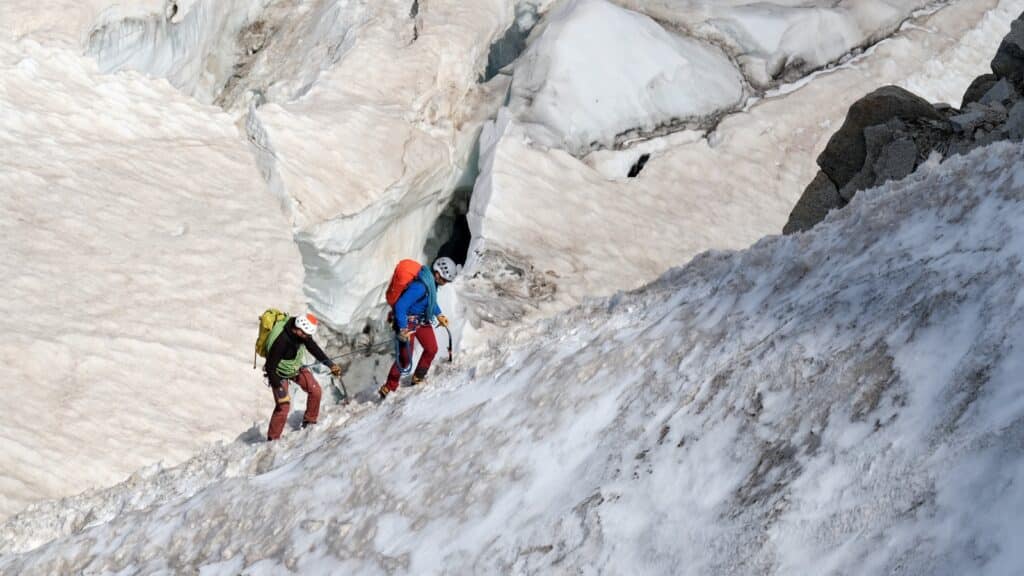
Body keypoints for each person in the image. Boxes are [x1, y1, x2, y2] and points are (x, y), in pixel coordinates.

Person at [379, 257, 459, 399]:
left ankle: (418, 377)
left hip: (422, 321)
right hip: (408, 323)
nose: (445, 283)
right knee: (405, 359)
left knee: (431, 348)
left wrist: (439, 314)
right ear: (437, 274)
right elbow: (400, 306)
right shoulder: (420, 286)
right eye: (445, 280)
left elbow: (431, 302)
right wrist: (403, 329)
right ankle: (389, 386)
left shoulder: (431, 285)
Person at [264, 313, 341, 441]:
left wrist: (330, 364)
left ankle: (309, 422)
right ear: (298, 330)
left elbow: (313, 348)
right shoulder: (282, 341)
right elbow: (270, 367)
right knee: (283, 406)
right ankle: (272, 439)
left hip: (294, 367)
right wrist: (280, 389)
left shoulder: (301, 335)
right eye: (305, 334)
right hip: (278, 374)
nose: (307, 338)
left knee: (315, 390)